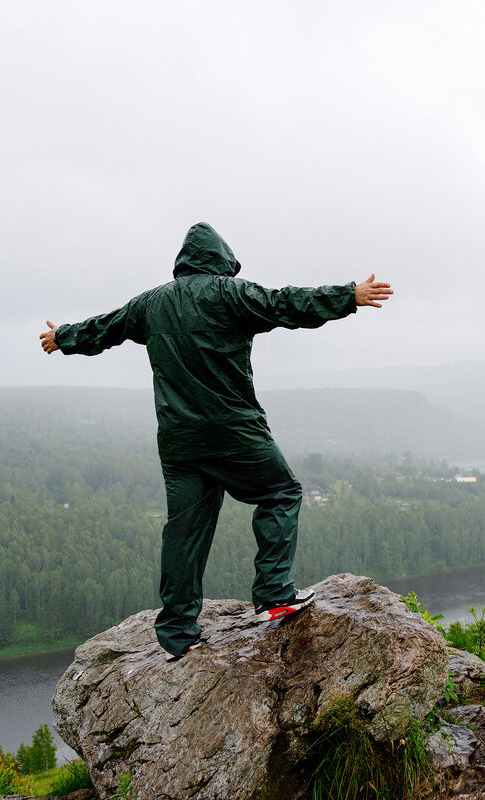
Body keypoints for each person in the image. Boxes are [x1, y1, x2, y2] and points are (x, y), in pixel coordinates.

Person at [39, 222, 393, 659]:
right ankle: (275, 593)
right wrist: (346, 296)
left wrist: (63, 337)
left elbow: (105, 326)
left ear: (183, 263)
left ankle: (177, 633)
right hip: (234, 431)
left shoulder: (151, 304)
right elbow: (285, 304)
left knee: (185, 532)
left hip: (180, 441)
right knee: (281, 492)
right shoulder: (230, 293)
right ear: (222, 261)